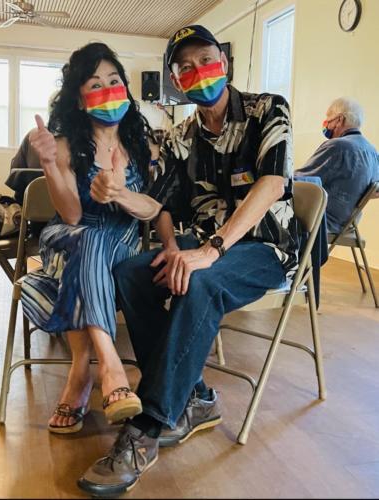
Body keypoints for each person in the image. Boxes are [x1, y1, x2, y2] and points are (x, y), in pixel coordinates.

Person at [77, 25, 299, 497]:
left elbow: (272, 184)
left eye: (205, 60)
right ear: (176, 81)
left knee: (200, 283)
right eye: (185, 67)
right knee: (132, 273)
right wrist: (172, 247)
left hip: (265, 247)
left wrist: (211, 250)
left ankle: (148, 427)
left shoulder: (267, 109)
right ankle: (194, 396)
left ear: (224, 61)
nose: (198, 71)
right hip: (200, 245)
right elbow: (163, 205)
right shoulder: (180, 136)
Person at [21, 42, 162, 433]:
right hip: (67, 239)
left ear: (126, 89)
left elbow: (155, 209)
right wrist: (50, 164)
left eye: (114, 81)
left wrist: (120, 194)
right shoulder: (65, 146)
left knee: (94, 248)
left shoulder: (145, 147)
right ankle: (111, 367)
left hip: (121, 244)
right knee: (88, 240)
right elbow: (71, 215)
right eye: (95, 85)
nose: (108, 90)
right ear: (80, 100)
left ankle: (82, 369)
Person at [295, 97, 379, 233]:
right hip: (349, 225)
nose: (326, 124)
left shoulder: (338, 146)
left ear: (339, 120)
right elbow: (376, 191)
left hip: (323, 220)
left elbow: (303, 180)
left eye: (328, 119)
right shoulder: (373, 152)